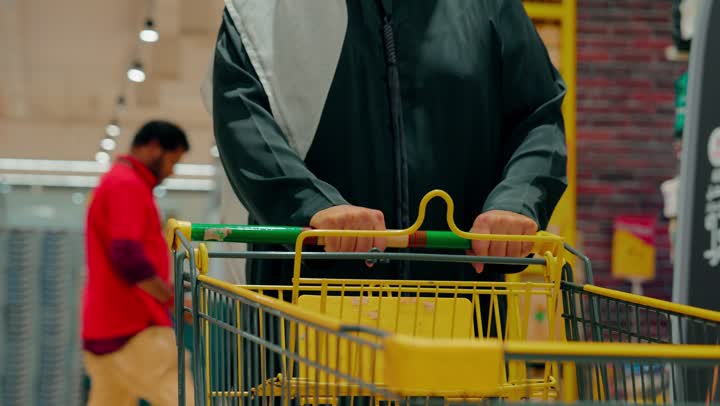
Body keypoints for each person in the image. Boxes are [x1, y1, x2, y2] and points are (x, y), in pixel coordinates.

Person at [204, 0, 568, 286]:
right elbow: (243, 119)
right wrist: (311, 206)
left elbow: (538, 115)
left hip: (458, 315)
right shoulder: (266, 11)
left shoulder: (490, 6)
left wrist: (518, 201)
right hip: (305, 308)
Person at [81, 120, 194, 406]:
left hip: (104, 329)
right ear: (154, 148)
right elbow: (127, 256)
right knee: (183, 398)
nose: (172, 171)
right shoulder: (126, 184)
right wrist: (172, 299)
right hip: (135, 327)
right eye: (173, 160)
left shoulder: (116, 181)